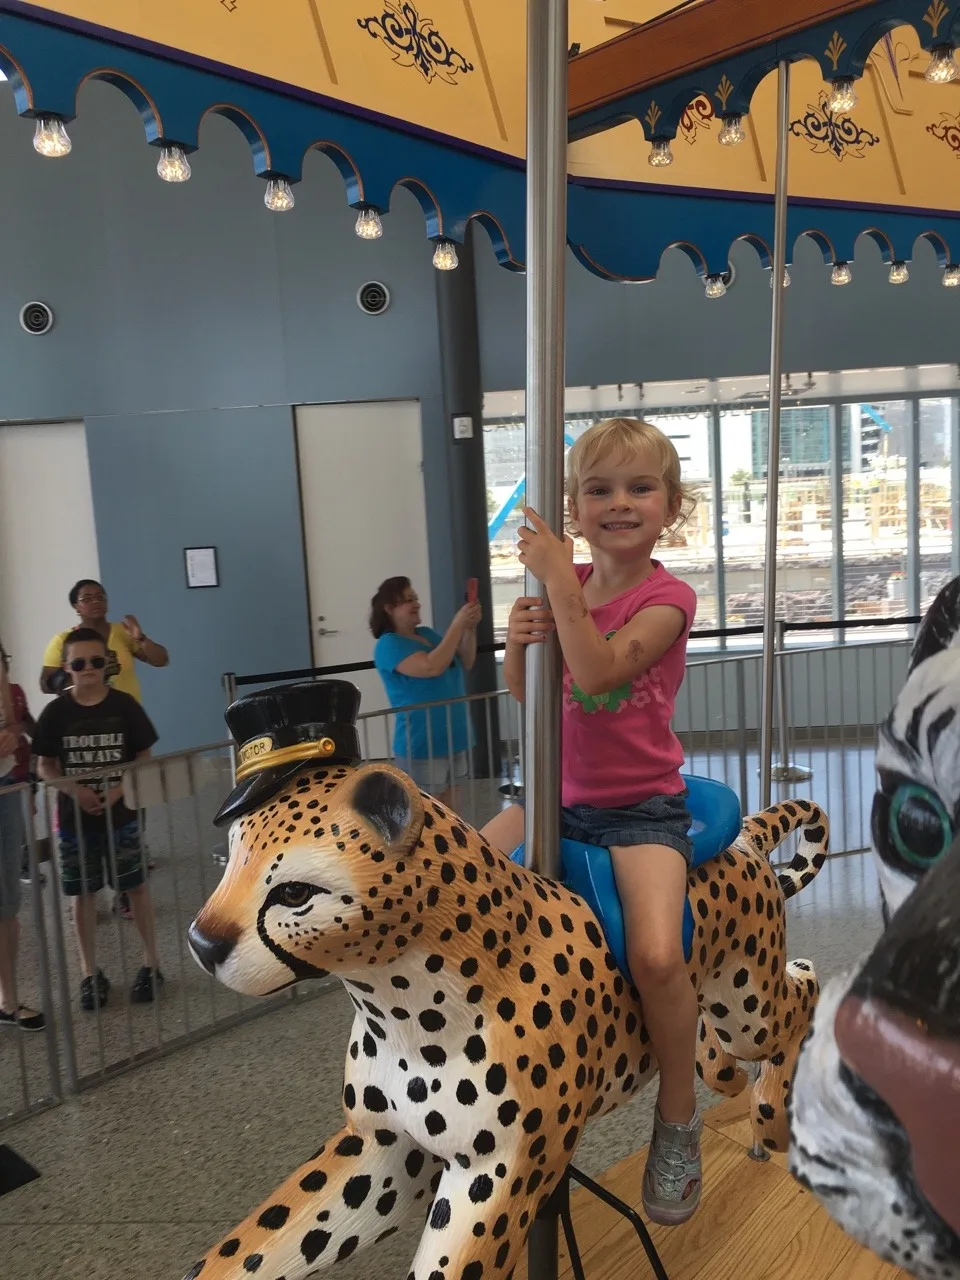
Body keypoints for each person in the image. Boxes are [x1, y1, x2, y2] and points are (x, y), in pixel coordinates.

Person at [480, 417, 701, 1228]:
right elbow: (532, 696)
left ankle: (677, 1117)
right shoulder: (556, 582)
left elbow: (602, 672)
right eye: (600, 488)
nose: (619, 503)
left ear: (669, 506)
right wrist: (515, 640)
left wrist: (559, 592)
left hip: (641, 809)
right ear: (575, 506)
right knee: (454, 879)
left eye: (640, 488)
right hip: (552, 795)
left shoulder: (667, 598)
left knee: (656, 952)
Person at [32, 628, 163, 1010]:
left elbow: (143, 755)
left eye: (95, 661)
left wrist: (118, 791)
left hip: (122, 816)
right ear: (66, 668)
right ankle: (90, 972)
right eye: (78, 663)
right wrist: (77, 790)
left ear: (106, 663)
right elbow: (45, 766)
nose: (87, 669)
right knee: (82, 895)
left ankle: (151, 962)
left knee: (135, 887)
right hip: (74, 820)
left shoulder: (124, 705)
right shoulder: (55, 712)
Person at [371, 577, 481, 806]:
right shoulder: (389, 644)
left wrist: (469, 630)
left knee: (451, 811)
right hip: (423, 744)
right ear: (389, 609)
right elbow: (431, 666)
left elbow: (465, 661)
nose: (416, 604)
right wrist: (457, 624)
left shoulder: (428, 634)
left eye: (416, 598)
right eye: (408, 600)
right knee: (428, 812)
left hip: (455, 736)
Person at [0, 648, 45, 1031]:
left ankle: (8, 1000)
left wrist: (13, 732)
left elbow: (16, 729)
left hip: (5, 790)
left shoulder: (8, 685)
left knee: (6, 902)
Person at [39, 579, 169, 700]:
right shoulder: (62, 640)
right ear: (76, 606)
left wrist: (141, 638)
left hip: (126, 713)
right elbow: (45, 685)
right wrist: (87, 670)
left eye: (100, 597)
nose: (95, 601)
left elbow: (161, 660)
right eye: (87, 598)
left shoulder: (124, 631)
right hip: (84, 715)